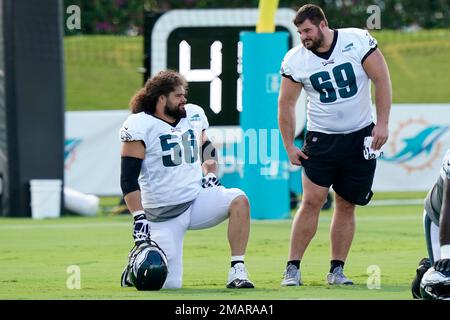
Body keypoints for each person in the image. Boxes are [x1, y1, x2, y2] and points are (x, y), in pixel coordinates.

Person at [278, 4, 392, 286]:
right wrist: (289, 145)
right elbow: (286, 104)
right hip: (321, 138)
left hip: (360, 136)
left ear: (322, 25)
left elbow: (382, 79)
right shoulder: (296, 59)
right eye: (299, 32)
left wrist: (384, 123)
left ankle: (336, 269)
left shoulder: (356, 40)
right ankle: (292, 267)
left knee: (346, 203)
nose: (303, 37)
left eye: (306, 30)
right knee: (312, 200)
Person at [118, 70, 254, 289]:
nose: (184, 100)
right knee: (168, 285)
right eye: (178, 96)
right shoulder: (139, 125)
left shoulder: (193, 115)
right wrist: (138, 217)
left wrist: (210, 174)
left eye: (184, 94)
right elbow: (128, 178)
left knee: (238, 199)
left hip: (195, 199)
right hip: (162, 214)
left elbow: (206, 146)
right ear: (161, 98)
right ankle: (133, 270)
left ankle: (237, 269)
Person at [411, 149, 450, 299]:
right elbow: (447, 208)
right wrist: (446, 255)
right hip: (439, 216)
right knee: (444, 280)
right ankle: (424, 274)